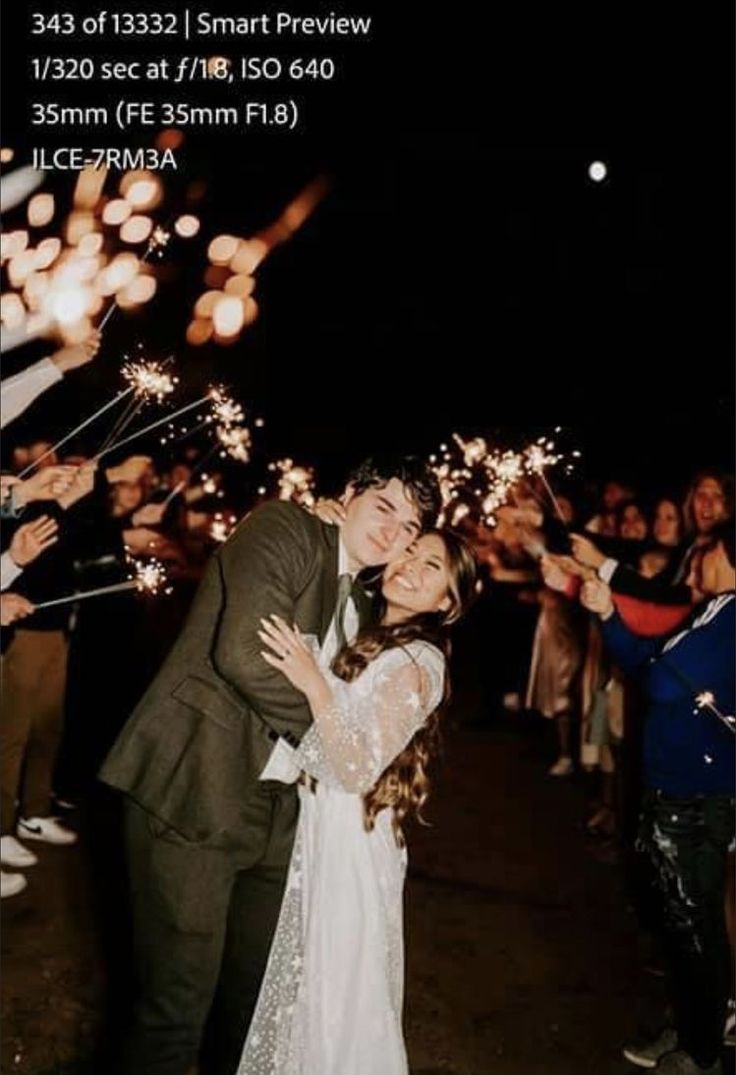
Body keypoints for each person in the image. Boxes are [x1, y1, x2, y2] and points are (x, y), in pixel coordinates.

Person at [99, 453, 441, 1075]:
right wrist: (341, 747)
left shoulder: (366, 608)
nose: (394, 533)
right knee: (174, 1012)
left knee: (255, 1012)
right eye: (385, 507)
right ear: (349, 494)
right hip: (197, 792)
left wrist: (341, 750)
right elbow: (245, 656)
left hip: (282, 822)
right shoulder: (284, 529)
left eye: (411, 528)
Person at [238, 529, 476, 1074]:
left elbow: (354, 765)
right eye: (410, 551)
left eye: (432, 565)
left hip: (354, 843)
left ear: (449, 602)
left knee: (337, 996)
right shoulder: (375, 634)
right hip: (325, 826)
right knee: (307, 986)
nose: (410, 564)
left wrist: (312, 682)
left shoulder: (420, 662)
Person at [581, 522, 735, 1075]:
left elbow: (664, 682)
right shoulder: (714, 613)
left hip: (698, 796)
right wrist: (607, 616)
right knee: (682, 921)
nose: (696, 563)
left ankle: (700, 1050)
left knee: (695, 925)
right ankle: (695, 1024)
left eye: (708, 552)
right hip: (681, 790)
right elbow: (648, 663)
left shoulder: (730, 613)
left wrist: (663, 659)